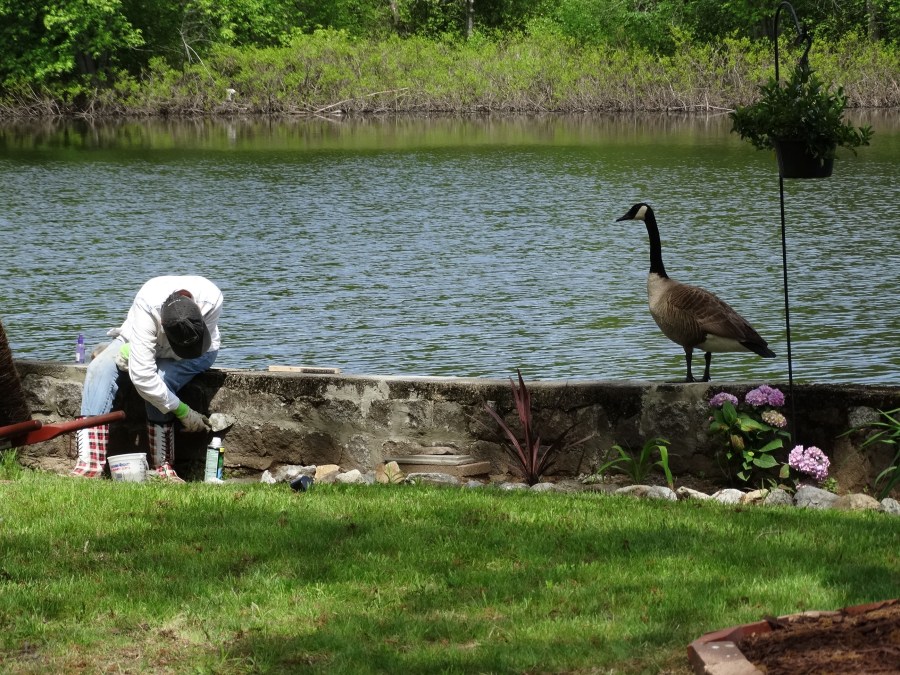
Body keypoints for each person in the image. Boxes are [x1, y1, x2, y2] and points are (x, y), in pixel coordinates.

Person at [72, 276, 223, 480]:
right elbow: (143, 378)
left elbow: (185, 353)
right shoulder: (148, 304)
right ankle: (88, 466)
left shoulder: (212, 298)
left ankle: (163, 467)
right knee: (98, 369)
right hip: (140, 339)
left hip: (199, 350)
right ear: (162, 322)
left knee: (160, 379)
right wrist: (182, 410)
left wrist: (136, 358)